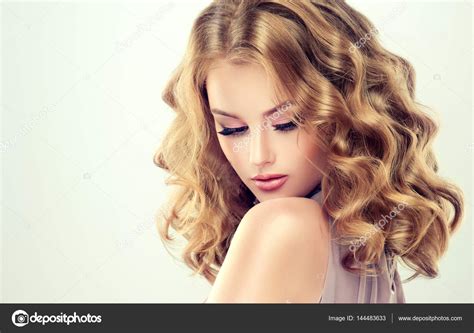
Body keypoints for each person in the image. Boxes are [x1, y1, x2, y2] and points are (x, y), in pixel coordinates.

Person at [154, 0, 464, 303]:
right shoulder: (368, 251)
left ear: (345, 111)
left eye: (287, 123)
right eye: (233, 129)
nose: (258, 157)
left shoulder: (283, 226)